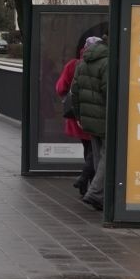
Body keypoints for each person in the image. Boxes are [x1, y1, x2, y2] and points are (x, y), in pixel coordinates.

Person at [56, 36, 100, 196]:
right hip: (97, 114)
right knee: (95, 150)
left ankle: (86, 182)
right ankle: (86, 179)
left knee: (88, 148)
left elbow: (60, 88)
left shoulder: (73, 64)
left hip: (77, 114)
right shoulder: (103, 64)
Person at [71, 35, 108, 211]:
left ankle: (99, 192)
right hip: (104, 117)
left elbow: (74, 92)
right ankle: (96, 193)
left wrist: (79, 116)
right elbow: (109, 92)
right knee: (106, 156)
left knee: (97, 155)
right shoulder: (106, 63)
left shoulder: (81, 63)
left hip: (87, 118)